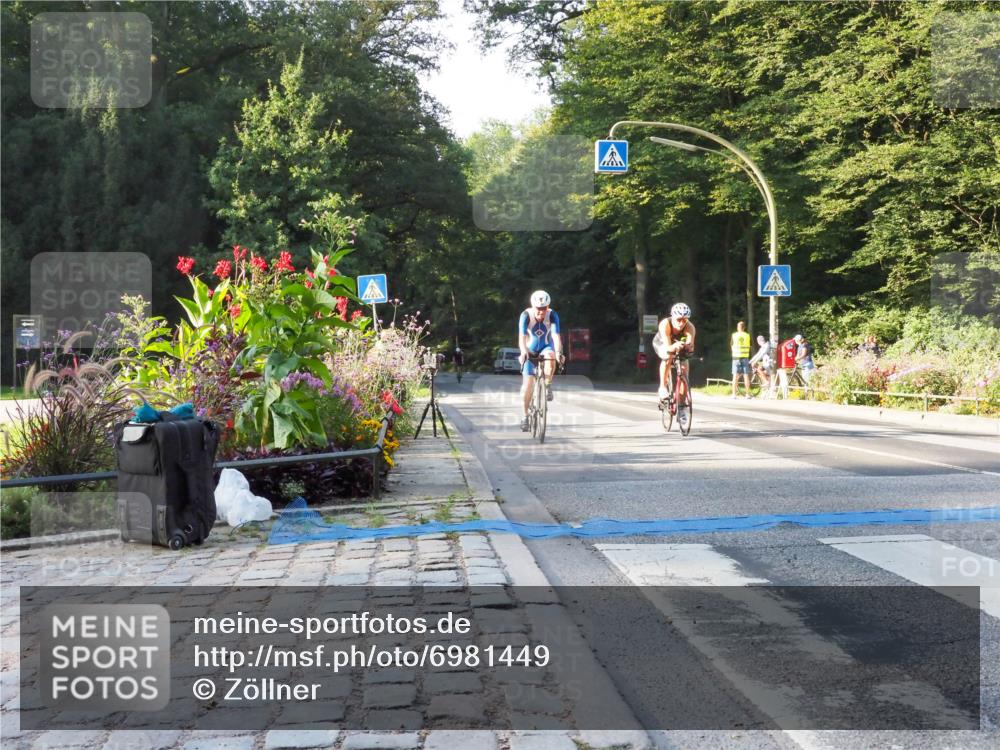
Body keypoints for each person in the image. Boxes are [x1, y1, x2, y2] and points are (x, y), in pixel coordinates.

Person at [518, 290, 563, 431]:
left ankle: (548, 385)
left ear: (548, 307)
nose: (541, 312)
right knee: (528, 386)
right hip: (530, 349)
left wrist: (558, 352)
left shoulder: (553, 315)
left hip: (545, 347)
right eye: (538, 309)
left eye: (544, 309)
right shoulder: (526, 315)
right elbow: (522, 337)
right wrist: (524, 352)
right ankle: (525, 416)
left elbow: (556, 337)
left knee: (551, 357)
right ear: (533, 306)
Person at [653, 303, 696, 428]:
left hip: (678, 345)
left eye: (685, 320)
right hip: (662, 343)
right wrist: (673, 347)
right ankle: (662, 387)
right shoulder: (665, 324)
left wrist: (688, 346)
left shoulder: (690, 327)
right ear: (673, 317)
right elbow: (667, 346)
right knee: (668, 356)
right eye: (679, 319)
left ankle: (682, 407)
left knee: (684, 370)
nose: (682, 323)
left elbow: (690, 343)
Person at [730, 321, 752, 398]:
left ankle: (734, 394)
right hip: (745, 357)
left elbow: (731, 345)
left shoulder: (734, 335)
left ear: (737, 327)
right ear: (744, 327)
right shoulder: (747, 335)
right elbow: (750, 346)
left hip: (736, 357)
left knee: (735, 376)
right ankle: (747, 394)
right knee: (746, 376)